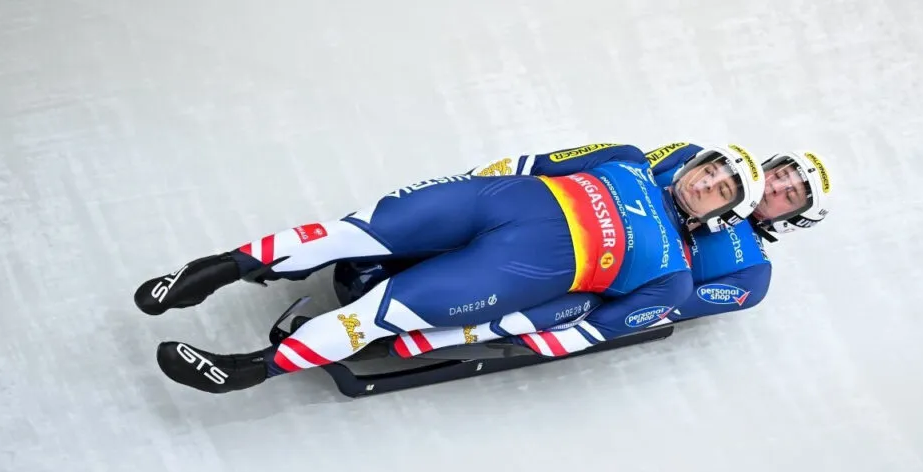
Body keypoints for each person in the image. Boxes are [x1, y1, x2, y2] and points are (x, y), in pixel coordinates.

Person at [134, 143, 763, 393]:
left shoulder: (673, 276)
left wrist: (500, 332)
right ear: (692, 163)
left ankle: (248, 369)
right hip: (488, 204)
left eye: (723, 188)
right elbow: (530, 163)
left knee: (376, 317)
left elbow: (594, 329)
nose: (708, 183)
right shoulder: (625, 158)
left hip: (511, 271)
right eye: (710, 169)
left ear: (727, 212)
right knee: (349, 230)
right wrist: (460, 184)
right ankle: (211, 272)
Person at [347, 142, 831, 358]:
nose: (774, 189)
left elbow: (670, 305)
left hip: (612, 282)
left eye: (787, 195)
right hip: (580, 225)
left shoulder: (753, 276)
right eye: (778, 177)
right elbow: (627, 175)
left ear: (792, 219)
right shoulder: (698, 160)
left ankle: (433, 334)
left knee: (573, 295)